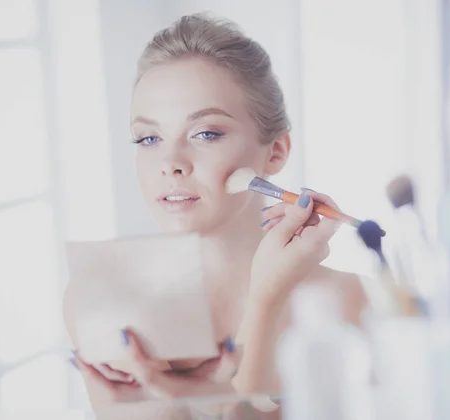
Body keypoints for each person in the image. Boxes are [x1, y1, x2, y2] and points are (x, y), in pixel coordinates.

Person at [63, 12, 367, 419]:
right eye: (149, 138)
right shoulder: (105, 300)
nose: (170, 163)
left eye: (205, 133)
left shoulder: (351, 302)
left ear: (275, 152)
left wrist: (267, 297)